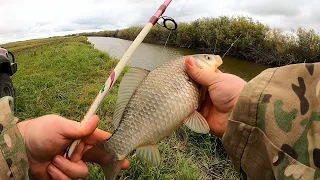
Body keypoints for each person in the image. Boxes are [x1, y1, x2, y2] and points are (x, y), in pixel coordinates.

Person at [0, 55, 319, 180]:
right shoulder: (184, 71)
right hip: (142, 119)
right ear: (198, 66)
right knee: (121, 144)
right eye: (208, 60)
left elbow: (199, 121)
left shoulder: (204, 90)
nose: (214, 62)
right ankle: (114, 152)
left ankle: (113, 153)